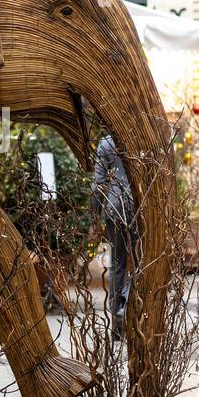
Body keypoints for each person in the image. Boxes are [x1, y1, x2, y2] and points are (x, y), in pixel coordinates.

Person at [90, 134, 134, 332]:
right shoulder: (142, 138)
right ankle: (129, 308)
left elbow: (98, 184)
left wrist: (94, 218)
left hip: (114, 208)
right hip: (140, 208)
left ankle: (117, 319)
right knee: (142, 263)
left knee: (117, 264)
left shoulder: (106, 142)